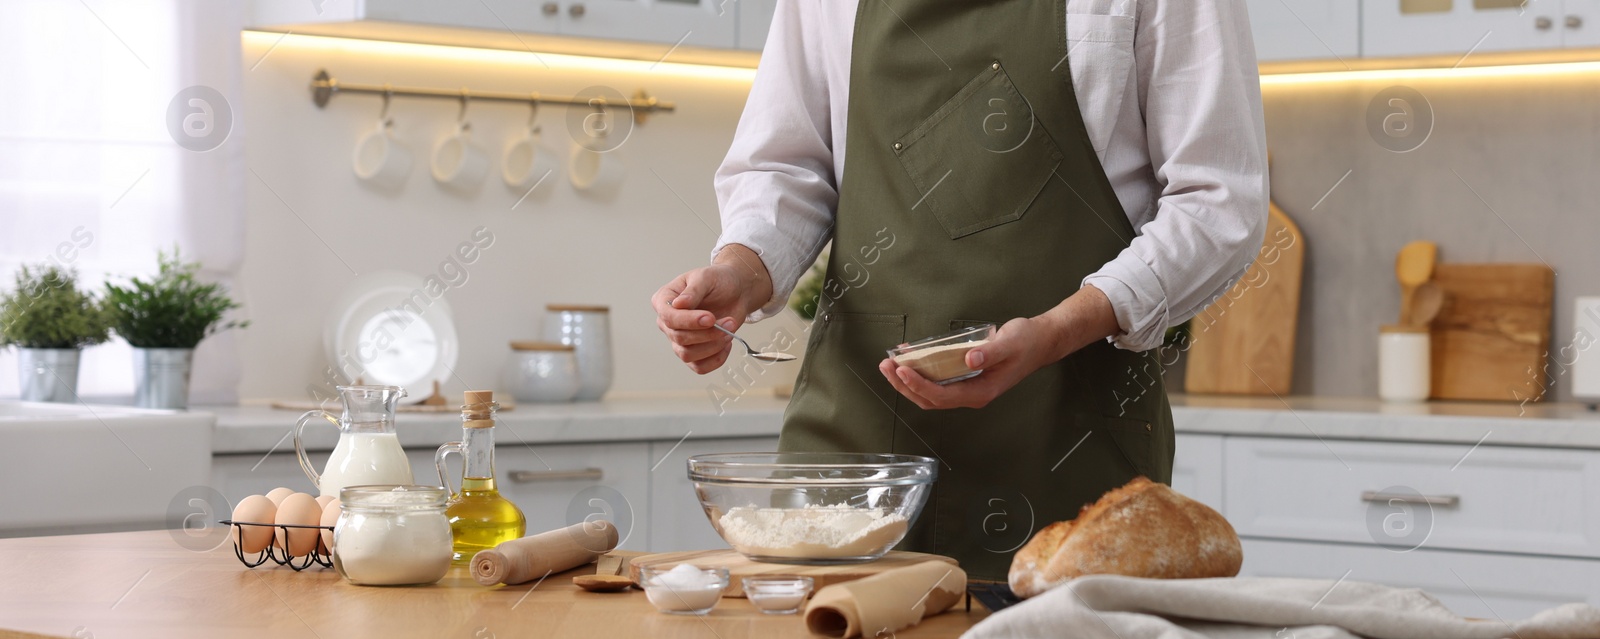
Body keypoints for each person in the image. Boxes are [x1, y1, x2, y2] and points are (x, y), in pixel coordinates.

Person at [652, 0, 1267, 581]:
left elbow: (1218, 202)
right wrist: (740, 271)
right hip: (861, 440)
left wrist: (1058, 329)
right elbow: (785, 164)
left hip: (1071, 435)